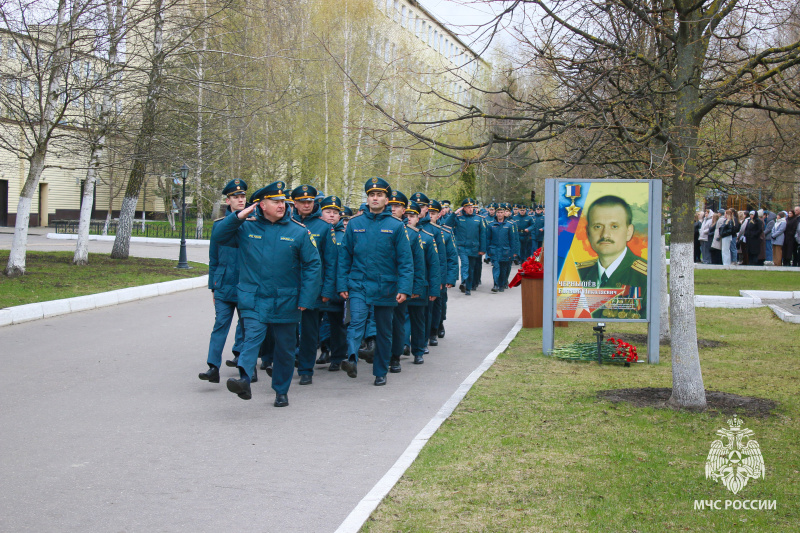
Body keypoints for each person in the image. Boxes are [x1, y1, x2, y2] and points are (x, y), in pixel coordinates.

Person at [211, 181, 322, 407]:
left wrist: (306, 298)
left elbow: (313, 265)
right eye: (276, 201)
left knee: (284, 349)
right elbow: (219, 236)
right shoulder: (246, 228)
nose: (282, 205)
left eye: (283, 201)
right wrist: (239, 216)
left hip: (287, 300)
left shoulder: (298, 231)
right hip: (253, 298)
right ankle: (244, 379)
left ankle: (281, 391)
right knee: (251, 338)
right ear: (262, 205)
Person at [337, 177, 414, 386]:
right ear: (368, 198)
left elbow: (405, 261)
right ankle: (351, 359)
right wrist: (342, 284)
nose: (375, 198)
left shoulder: (396, 226)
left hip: (386, 286)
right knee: (356, 322)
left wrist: (404, 288)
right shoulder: (355, 224)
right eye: (372, 195)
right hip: (359, 283)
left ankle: (380, 371)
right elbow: (345, 257)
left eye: (379, 195)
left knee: (383, 330)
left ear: (386, 200)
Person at [199, 179, 249, 385]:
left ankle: (241, 358)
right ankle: (213, 367)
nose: (240, 199)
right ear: (228, 200)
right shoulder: (220, 225)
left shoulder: (252, 223)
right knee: (220, 324)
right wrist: (213, 286)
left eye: (243, 196)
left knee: (246, 325)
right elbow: (214, 258)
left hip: (246, 284)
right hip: (224, 284)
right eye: (236, 197)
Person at [291, 185, 337, 386]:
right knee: (286, 329)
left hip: (313, 288)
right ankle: (282, 361)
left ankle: (306, 369)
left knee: (309, 331)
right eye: (302, 201)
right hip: (289, 286)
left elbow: (331, 261)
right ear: (295, 203)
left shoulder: (324, 227)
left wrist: (327, 289)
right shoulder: (287, 223)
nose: (307, 204)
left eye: (310, 201)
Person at [576, 195, 647, 319]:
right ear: (588, 232)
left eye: (614, 226)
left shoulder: (645, 276)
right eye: (597, 226)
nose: (605, 234)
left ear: (629, 232)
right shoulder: (577, 273)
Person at [318, 195, 349, 371]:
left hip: (337, 286)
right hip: (317, 285)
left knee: (337, 324)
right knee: (318, 322)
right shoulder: (313, 231)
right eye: (327, 211)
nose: (331, 215)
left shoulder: (343, 236)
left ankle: (337, 356)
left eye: (335, 212)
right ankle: (324, 349)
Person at [443, 198, 486, 296]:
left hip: (474, 247)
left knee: (471, 268)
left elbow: (483, 235)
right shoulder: (459, 217)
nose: (471, 209)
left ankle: (468, 287)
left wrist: (483, 249)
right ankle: (464, 282)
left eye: (472, 207)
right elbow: (447, 224)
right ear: (464, 208)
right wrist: (454, 213)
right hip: (462, 247)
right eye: (468, 207)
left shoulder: (479, 219)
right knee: (465, 264)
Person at [428, 200, 458, 340]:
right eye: (427, 212)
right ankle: (427, 330)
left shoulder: (445, 233)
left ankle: (437, 326)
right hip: (426, 275)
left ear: (439, 215)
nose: (429, 216)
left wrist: (451, 278)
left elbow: (452, 257)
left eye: (432, 213)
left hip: (441, 275)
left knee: (439, 304)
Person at [487, 204, 519, 292]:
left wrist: (513, 252)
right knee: (496, 267)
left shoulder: (509, 225)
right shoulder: (491, 225)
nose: (500, 214)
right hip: (494, 250)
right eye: (498, 212)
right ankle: (496, 284)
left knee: (504, 269)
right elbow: (488, 239)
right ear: (496, 213)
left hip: (505, 251)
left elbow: (512, 240)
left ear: (504, 213)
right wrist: (488, 250)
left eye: (501, 212)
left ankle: (502, 283)